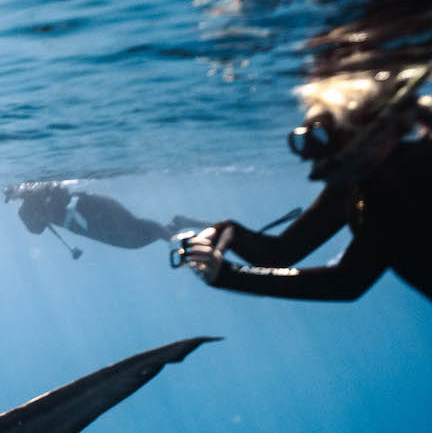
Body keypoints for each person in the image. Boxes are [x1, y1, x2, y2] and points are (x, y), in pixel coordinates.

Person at [175, 65, 430, 302]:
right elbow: (280, 253)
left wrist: (227, 275)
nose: (312, 155)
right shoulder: (357, 182)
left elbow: (346, 283)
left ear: (376, 132)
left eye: (323, 135)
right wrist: (226, 234)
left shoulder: (406, 181)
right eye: (304, 137)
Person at [5, 181, 206, 253]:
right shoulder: (30, 206)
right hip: (94, 210)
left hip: (92, 214)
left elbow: (37, 228)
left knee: (134, 237)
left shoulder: (38, 197)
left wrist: (37, 205)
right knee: (136, 236)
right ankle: (177, 227)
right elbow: (36, 229)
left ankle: (191, 243)